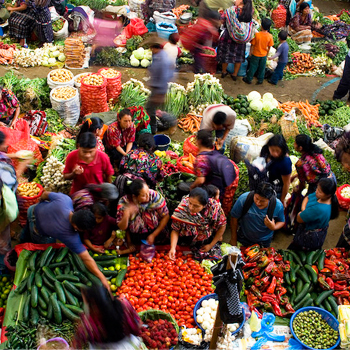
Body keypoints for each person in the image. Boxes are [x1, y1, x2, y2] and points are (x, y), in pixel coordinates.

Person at [21, 191, 110, 289]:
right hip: (37, 230)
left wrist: (41, 202)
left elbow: (45, 194)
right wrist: (102, 277)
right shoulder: (70, 236)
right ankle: (23, 244)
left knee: (24, 234)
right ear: (76, 226)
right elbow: (86, 258)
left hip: (32, 211)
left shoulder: (65, 200)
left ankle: (21, 240)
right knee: (41, 246)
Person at [73, 285, 143, 349]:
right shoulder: (124, 306)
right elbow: (138, 326)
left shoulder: (89, 323)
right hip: (129, 347)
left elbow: (78, 341)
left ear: (93, 307)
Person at [169, 187, 226, 260]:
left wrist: (210, 245)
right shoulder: (183, 207)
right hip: (187, 237)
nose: (191, 207)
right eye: (190, 203)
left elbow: (222, 226)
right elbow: (175, 229)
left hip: (205, 239)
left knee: (212, 258)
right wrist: (173, 248)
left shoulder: (214, 208)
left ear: (204, 205)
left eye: (196, 206)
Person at [191, 130, 238, 215]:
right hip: (231, 174)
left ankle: (217, 215)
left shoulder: (201, 158)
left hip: (224, 181)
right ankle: (223, 214)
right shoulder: (213, 150)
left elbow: (200, 180)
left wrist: (192, 187)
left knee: (216, 199)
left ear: (199, 141)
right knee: (227, 200)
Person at [116, 179, 169, 248]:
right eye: (144, 195)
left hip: (157, 233)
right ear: (134, 196)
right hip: (136, 237)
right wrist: (126, 213)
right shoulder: (124, 202)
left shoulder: (155, 197)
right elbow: (122, 227)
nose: (148, 196)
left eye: (148, 192)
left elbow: (166, 216)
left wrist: (153, 235)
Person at [288, 178, 339, 250]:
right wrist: (304, 211)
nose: (316, 192)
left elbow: (299, 219)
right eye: (317, 189)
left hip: (309, 236)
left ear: (328, 195)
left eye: (320, 191)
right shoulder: (324, 197)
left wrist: (303, 212)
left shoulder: (318, 209)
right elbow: (307, 197)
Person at [230, 182, 285, 247]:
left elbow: (282, 221)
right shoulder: (244, 199)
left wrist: (274, 227)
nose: (258, 203)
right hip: (243, 237)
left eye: (262, 201)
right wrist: (233, 239)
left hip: (264, 242)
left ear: (269, 199)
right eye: (256, 198)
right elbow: (234, 218)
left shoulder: (278, 206)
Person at [217, 0, 253, 80]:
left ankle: (223, 72)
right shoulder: (250, 10)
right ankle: (234, 74)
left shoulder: (232, 10)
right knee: (238, 57)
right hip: (241, 38)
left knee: (225, 55)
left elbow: (222, 20)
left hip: (228, 36)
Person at [146, 38, 174, 135]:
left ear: (155, 48)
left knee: (150, 109)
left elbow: (165, 76)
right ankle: (153, 128)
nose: (151, 50)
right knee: (153, 109)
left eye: (152, 48)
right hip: (156, 87)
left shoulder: (162, 60)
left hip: (159, 89)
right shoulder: (159, 56)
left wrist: (160, 93)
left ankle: (172, 122)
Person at [260, 134, 292, 206]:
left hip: (275, 190)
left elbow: (286, 183)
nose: (275, 153)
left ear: (282, 149)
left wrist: (282, 199)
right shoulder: (265, 150)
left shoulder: (285, 162)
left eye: (278, 151)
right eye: (272, 150)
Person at [243, 17, 274, 85]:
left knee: (253, 67)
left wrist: (250, 52)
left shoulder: (257, 35)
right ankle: (260, 80)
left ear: (261, 26)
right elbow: (269, 46)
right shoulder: (270, 36)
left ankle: (249, 79)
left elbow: (252, 45)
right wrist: (267, 54)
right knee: (262, 68)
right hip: (264, 55)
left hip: (256, 54)